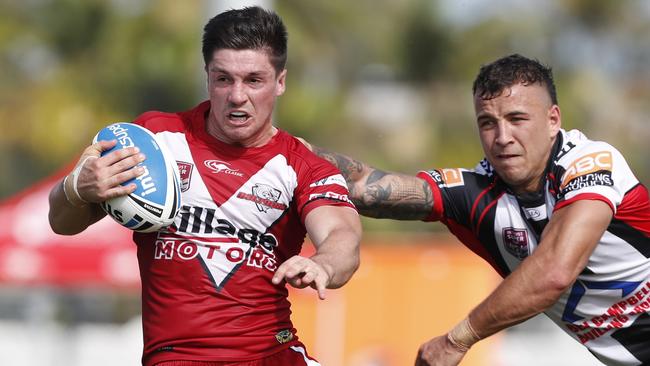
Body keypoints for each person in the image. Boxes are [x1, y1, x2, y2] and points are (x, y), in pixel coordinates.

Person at [48, 6, 361, 366]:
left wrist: (323, 264)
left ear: (280, 81)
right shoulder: (156, 139)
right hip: (176, 358)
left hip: (271, 354)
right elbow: (62, 221)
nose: (237, 96)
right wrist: (76, 188)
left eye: (254, 80)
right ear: (207, 77)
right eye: (223, 79)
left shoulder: (302, 166)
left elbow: (342, 236)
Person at [305, 54, 650, 366]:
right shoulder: (476, 193)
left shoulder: (590, 163)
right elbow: (367, 187)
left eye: (517, 119)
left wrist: (457, 340)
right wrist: (283, 150)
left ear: (552, 120)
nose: (502, 137)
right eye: (488, 123)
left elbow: (554, 273)